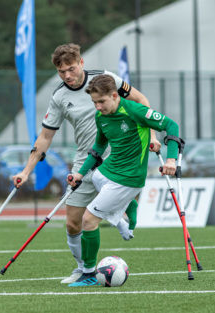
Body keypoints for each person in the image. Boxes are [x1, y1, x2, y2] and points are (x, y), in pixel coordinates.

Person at [12, 43, 161, 284]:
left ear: (81, 63)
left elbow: (141, 100)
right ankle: (82, 267)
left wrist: (152, 136)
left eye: (71, 69)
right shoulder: (59, 96)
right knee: (72, 223)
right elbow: (45, 136)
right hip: (84, 159)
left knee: (90, 219)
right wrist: (26, 171)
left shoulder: (106, 79)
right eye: (61, 72)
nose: (67, 76)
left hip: (118, 156)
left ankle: (91, 271)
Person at [67, 74, 180, 287]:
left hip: (129, 177)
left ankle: (89, 273)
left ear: (114, 95)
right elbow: (99, 147)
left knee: (88, 220)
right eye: (94, 102)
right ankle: (128, 204)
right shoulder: (101, 117)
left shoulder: (135, 111)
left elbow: (171, 125)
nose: (98, 107)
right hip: (108, 170)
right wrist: (80, 173)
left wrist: (171, 159)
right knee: (96, 176)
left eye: (101, 101)